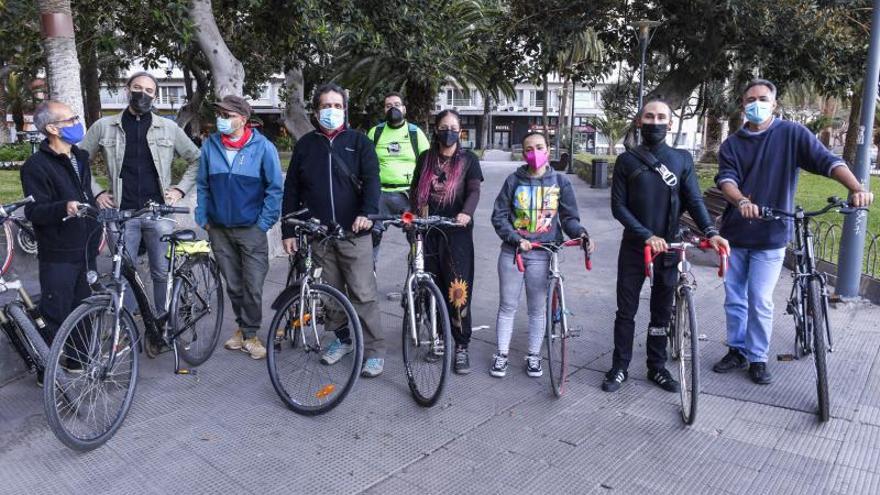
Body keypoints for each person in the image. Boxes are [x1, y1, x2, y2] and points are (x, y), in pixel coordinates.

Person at [712, 79, 874, 384]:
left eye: (762, 99)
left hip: (771, 235)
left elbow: (827, 161)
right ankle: (737, 349)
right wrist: (743, 200)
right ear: (743, 105)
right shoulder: (732, 144)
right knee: (735, 297)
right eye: (750, 100)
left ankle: (757, 356)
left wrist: (856, 187)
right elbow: (727, 181)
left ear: (774, 104)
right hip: (736, 233)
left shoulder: (791, 134)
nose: (756, 104)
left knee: (759, 298)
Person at [605, 99, 730, 393]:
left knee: (662, 311)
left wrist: (711, 231)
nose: (655, 121)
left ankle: (656, 366)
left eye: (662, 117)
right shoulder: (627, 161)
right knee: (626, 310)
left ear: (670, 124)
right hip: (636, 247)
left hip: (671, 247)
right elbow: (618, 207)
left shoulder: (681, 159)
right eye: (649, 116)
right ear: (640, 121)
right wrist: (645, 234)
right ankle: (619, 366)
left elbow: (694, 200)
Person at [281, 83, 387, 377]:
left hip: (355, 233)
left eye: (337, 106)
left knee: (363, 294)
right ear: (316, 112)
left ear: (345, 110)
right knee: (329, 295)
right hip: (319, 236)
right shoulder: (305, 146)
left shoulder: (359, 142)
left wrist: (367, 213)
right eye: (326, 106)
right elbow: (291, 190)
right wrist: (288, 229)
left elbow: (372, 182)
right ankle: (343, 341)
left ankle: (375, 350)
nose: (332, 111)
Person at [80, 71, 200, 314]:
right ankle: (125, 330)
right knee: (123, 274)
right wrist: (97, 193)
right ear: (127, 89)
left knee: (161, 272)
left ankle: (162, 324)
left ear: (155, 96)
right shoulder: (104, 127)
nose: (142, 94)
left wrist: (179, 189)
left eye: (149, 91)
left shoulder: (168, 128)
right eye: (138, 88)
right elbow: (79, 162)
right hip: (120, 214)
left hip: (158, 213)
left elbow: (198, 160)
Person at [489, 131, 593, 378]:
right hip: (513, 253)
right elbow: (499, 216)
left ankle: (534, 355)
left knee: (537, 309)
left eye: (539, 147)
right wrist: (516, 239)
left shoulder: (560, 182)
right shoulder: (513, 181)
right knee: (507, 306)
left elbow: (569, 218)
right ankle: (501, 354)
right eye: (528, 149)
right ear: (523, 153)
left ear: (548, 149)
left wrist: (580, 234)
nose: (534, 153)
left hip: (543, 254)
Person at [195, 95, 283, 360]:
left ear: (242, 119)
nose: (220, 119)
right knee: (233, 284)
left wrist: (263, 224)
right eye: (219, 114)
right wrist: (204, 218)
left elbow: (275, 189)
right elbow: (202, 185)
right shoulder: (210, 146)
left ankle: (251, 333)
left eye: (227, 115)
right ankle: (244, 330)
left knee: (252, 285)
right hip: (219, 228)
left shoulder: (263, 147)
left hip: (251, 229)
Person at [20, 101, 100, 383]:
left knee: (84, 306)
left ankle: (78, 361)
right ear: (52, 128)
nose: (78, 122)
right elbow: (34, 211)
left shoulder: (81, 156)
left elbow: (87, 196)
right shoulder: (35, 166)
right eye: (71, 119)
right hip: (58, 252)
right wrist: (63, 207)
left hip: (87, 246)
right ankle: (48, 371)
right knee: (55, 311)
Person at [409, 109, 483, 374]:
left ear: (460, 130)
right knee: (432, 288)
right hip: (428, 232)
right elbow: (416, 191)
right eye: (444, 126)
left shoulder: (468, 160)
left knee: (457, 291)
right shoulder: (426, 158)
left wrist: (466, 213)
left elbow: (474, 190)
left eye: (454, 126)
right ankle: (438, 338)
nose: (449, 131)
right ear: (436, 129)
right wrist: (414, 219)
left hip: (457, 234)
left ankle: (461, 345)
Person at [367, 92, 430, 264]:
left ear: (404, 108)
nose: (393, 108)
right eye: (388, 105)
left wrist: (424, 198)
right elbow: (366, 163)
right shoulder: (375, 133)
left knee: (414, 233)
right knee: (374, 234)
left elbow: (428, 165)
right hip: (381, 197)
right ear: (384, 110)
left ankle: (416, 278)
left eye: (396, 104)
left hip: (407, 198)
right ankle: (368, 276)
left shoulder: (415, 133)